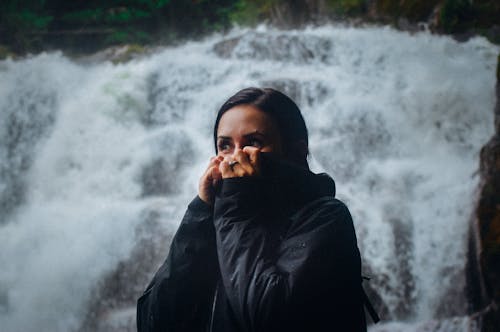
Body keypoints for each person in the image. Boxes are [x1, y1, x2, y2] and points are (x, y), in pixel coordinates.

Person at [137, 87, 370, 332]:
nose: (236, 157)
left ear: (296, 152)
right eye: (225, 146)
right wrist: (201, 212)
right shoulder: (218, 220)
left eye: (253, 142)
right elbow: (154, 322)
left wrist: (235, 209)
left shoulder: (326, 218)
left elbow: (267, 319)